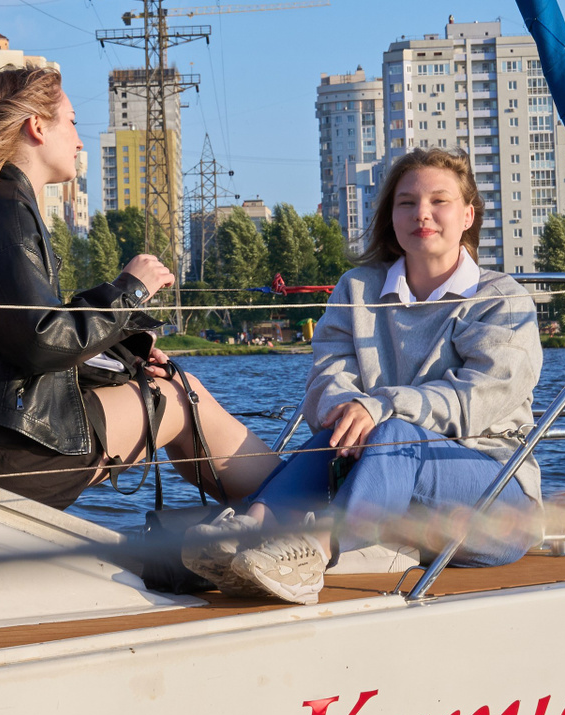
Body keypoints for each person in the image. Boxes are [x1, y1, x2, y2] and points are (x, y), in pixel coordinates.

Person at [0, 66, 278, 513]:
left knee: (170, 384)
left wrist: (126, 350)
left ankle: (268, 513)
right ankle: (296, 507)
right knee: (179, 399)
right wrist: (130, 291)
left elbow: (18, 340)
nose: (80, 141)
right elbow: (42, 341)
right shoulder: (4, 211)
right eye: (72, 121)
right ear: (37, 126)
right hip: (2, 448)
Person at [184, 147, 543, 604]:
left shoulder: (501, 301)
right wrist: (349, 411)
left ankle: (312, 556)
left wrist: (378, 408)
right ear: (391, 216)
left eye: (439, 201)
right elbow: (327, 378)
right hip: (382, 487)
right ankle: (250, 531)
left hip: (494, 498)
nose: (422, 213)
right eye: (407, 202)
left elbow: (479, 398)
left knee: (391, 433)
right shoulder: (358, 288)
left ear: (468, 215)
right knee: (341, 428)